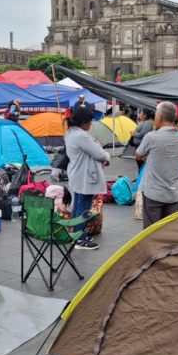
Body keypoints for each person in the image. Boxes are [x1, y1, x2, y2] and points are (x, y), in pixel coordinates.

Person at [135, 101, 178, 229]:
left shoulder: (152, 137)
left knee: (150, 231)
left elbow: (138, 154)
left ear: (159, 117)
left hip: (154, 192)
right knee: (166, 231)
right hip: (173, 193)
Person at [65, 107, 110, 250]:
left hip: (77, 174)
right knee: (83, 207)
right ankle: (80, 239)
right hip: (85, 176)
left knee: (79, 205)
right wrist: (107, 156)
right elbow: (99, 154)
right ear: (84, 122)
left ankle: (77, 235)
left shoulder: (71, 133)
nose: (91, 125)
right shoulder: (81, 136)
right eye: (90, 121)